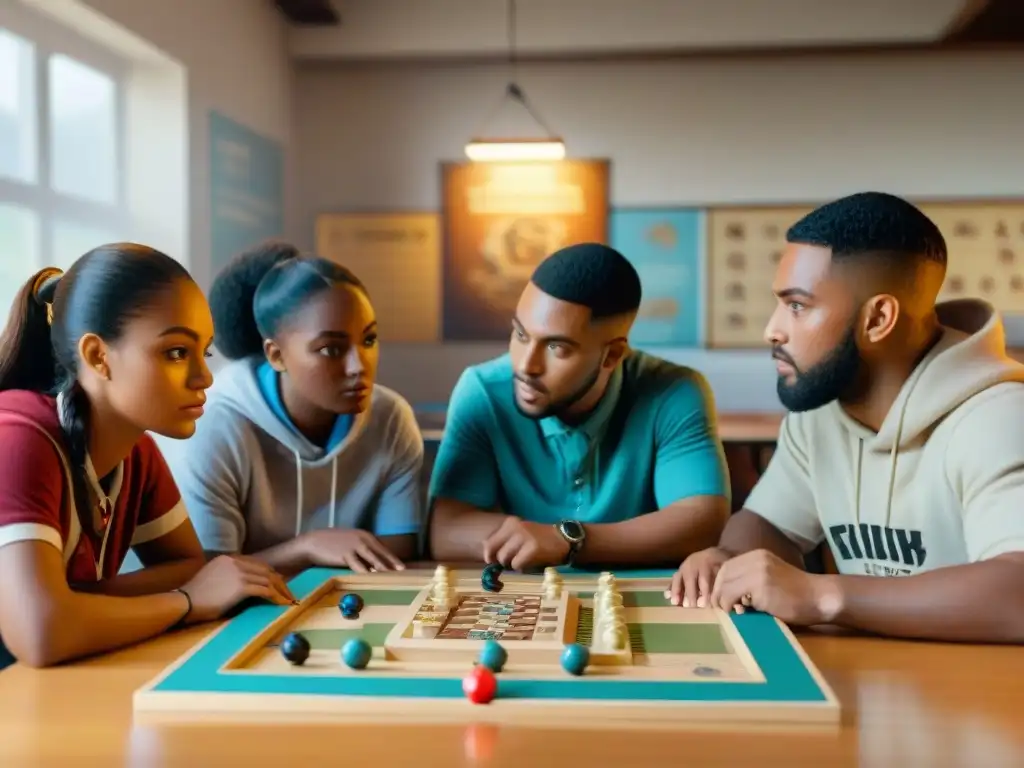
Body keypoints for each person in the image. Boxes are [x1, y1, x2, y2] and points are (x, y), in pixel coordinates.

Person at [669, 192, 1024, 644]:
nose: (772, 329)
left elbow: (1018, 593)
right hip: (883, 685)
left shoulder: (998, 417)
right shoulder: (820, 412)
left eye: (797, 305)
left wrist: (823, 596)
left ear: (878, 318)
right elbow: (770, 523)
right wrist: (731, 556)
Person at [0, 245, 295, 669]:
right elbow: (40, 634)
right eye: (176, 352)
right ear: (98, 356)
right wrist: (187, 603)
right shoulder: (18, 439)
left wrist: (69, 603)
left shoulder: (135, 448)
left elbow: (188, 565)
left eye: (205, 351)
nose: (204, 376)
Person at [428, 242, 730, 570]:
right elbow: (445, 531)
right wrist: (524, 537)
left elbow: (700, 522)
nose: (526, 366)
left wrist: (568, 539)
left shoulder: (674, 391)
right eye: (520, 334)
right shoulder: (483, 390)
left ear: (611, 356)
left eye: (556, 347)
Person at [158, 242, 423, 574]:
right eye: (331, 349)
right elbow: (208, 574)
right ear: (276, 355)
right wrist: (307, 548)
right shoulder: (213, 424)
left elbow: (398, 548)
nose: (359, 366)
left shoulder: (391, 418)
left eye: (368, 340)